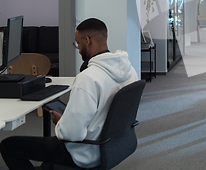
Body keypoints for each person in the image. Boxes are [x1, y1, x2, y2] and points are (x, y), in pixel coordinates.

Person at [0, 18, 138, 169]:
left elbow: (71, 135)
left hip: (83, 152)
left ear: (87, 40)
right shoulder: (130, 71)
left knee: (9, 145)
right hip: (111, 146)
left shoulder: (88, 78)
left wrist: (61, 122)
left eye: (77, 43)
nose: (78, 48)